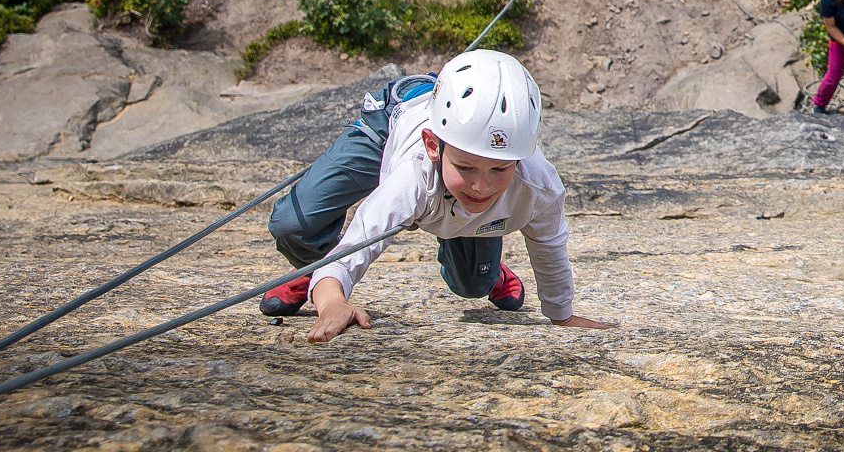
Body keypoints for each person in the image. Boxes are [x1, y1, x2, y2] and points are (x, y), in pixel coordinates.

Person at [258, 51, 617, 342]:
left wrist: (561, 314)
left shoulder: (538, 185)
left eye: (499, 169)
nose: (481, 186)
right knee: (293, 226)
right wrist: (333, 302)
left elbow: (549, 245)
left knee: (472, 285)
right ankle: (315, 274)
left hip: (448, 161)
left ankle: (488, 270)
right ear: (433, 146)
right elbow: (364, 236)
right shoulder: (412, 175)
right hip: (392, 125)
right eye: (466, 167)